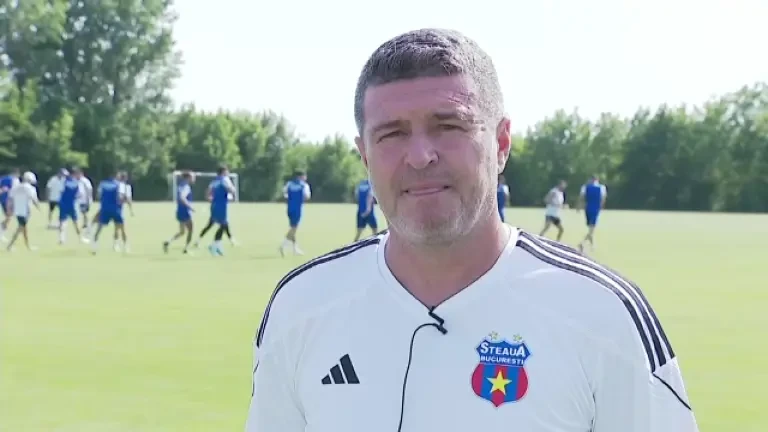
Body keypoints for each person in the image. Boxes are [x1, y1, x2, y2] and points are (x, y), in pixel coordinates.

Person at [245, 28, 698, 432]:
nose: (420, 156)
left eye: (448, 126)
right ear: (364, 154)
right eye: (392, 134)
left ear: (501, 143)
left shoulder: (602, 315)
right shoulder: (301, 306)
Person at [90, 171, 127, 253]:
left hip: (105, 208)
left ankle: (94, 246)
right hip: (116, 209)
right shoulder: (120, 184)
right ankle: (124, 247)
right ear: (116, 176)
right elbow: (120, 197)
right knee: (121, 228)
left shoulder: (102, 184)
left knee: (99, 228)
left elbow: (98, 196)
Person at [278, 170, 311, 256]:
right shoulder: (304, 185)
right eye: (304, 176)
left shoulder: (289, 184)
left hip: (289, 208)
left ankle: (295, 249)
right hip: (297, 209)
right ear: (300, 177)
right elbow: (307, 196)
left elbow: (284, 193)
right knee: (294, 229)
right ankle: (283, 245)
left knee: (292, 228)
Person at [206, 165, 236, 256]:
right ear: (223, 172)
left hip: (214, 205)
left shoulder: (214, 181)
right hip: (221, 205)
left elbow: (208, 192)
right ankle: (213, 246)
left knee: (224, 224)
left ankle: (218, 246)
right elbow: (230, 190)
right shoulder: (224, 180)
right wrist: (232, 193)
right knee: (223, 225)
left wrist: (210, 198)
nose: (228, 173)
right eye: (227, 171)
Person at [6, 171, 40, 251]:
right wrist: (38, 208)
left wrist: (9, 209)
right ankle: (14, 246)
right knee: (22, 228)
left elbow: (10, 199)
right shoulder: (31, 188)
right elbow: (34, 200)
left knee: (22, 228)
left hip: (18, 210)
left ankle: (23, 245)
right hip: (26, 211)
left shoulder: (16, 187)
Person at [164, 171, 195, 254]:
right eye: (192, 177)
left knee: (182, 232)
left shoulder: (180, 185)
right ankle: (186, 249)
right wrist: (190, 206)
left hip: (179, 211)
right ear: (188, 178)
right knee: (191, 230)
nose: (193, 179)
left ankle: (168, 242)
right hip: (185, 211)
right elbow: (182, 197)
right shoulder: (186, 187)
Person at [577, 175, 607, 254]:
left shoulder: (585, 187)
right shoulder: (602, 187)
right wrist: (601, 207)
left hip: (587, 208)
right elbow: (603, 198)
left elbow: (581, 197)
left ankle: (592, 246)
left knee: (591, 228)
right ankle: (582, 243)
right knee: (591, 229)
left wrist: (579, 207)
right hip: (595, 209)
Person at [57, 168, 86, 245]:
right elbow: (80, 194)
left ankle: (61, 239)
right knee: (76, 221)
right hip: (72, 204)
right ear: (75, 174)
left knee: (62, 221)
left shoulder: (64, 181)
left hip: (63, 203)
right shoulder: (77, 182)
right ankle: (80, 238)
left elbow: (60, 191)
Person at [0, 167, 21, 242]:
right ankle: (1, 233)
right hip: (9, 201)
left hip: (3, 200)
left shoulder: (3, 178)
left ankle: (2, 232)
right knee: (8, 217)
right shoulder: (14, 180)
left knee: (8, 217)